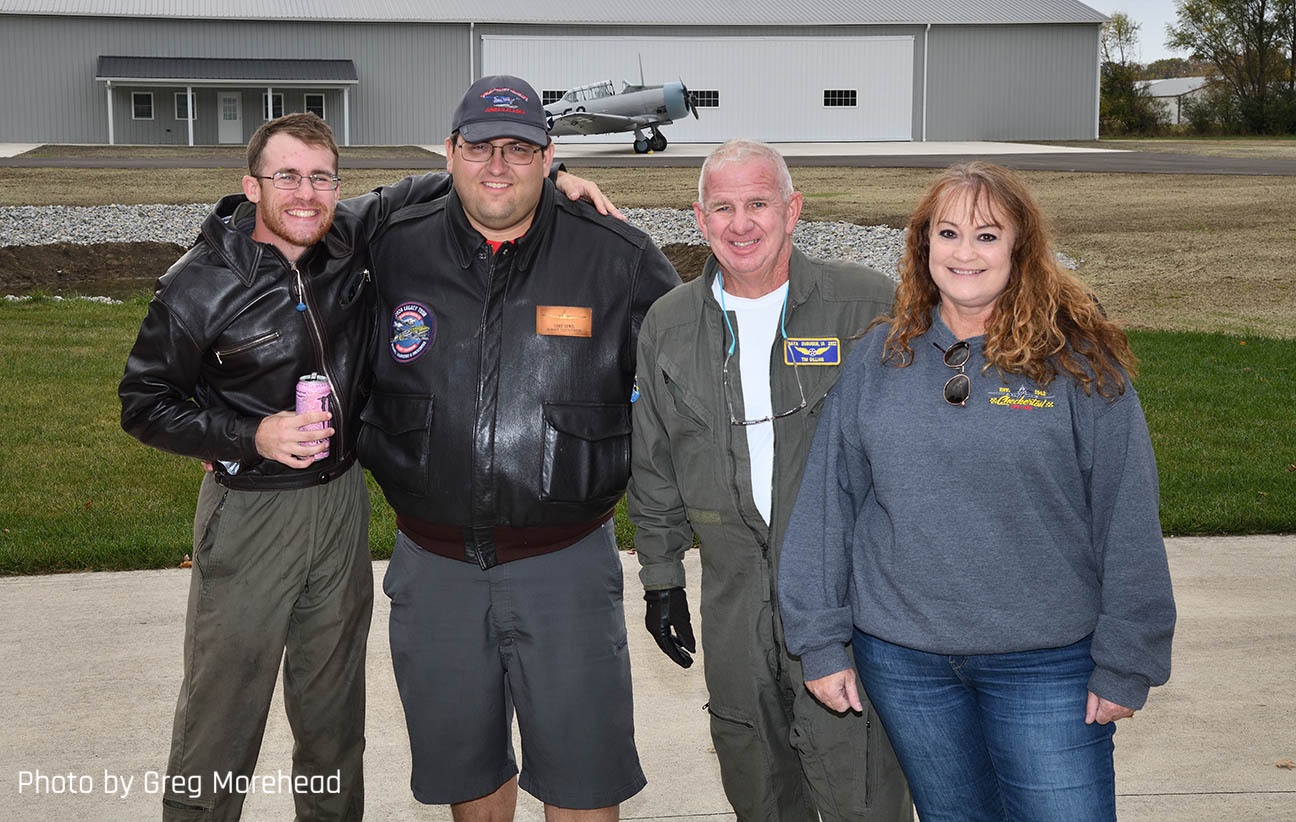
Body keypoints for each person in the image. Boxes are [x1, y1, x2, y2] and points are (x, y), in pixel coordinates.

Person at [118, 111, 612, 822]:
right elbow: (144, 403)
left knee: (332, 721)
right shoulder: (197, 284)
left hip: (341, 502)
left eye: (321, 177)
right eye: (286, 176)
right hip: (252, 509)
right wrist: (248, 434)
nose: (305, 194)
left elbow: (451, 179)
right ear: (251, 185)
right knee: (222, 718)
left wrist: (556, 177)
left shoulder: (346, 237)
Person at [779, 162, 1176, 822]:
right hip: (907, 665)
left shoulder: (1080, 364)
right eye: (949, 233)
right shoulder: (879, 359)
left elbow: (1127, 512)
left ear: (1020, 250)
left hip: (1047, 664)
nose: (965, 253)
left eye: (988, 236)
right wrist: (819, 641)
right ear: (922, 245)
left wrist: (1127, 658)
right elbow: (829, 504)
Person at [353, 75, 679, 822]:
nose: (497, 166)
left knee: (583, 784)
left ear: (547, 157)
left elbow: (688, 391)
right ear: (450, 152)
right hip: (432, 568)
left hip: (563, 565)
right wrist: (240, 420)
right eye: (479, 148)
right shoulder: (390, 249)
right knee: (467, 782)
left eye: (520, 150)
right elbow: (288, 260)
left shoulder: (618, 257)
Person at [627, 139, 912, 821]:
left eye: (758, 203)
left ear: (793, 210)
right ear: (699, 220)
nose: (740, 223)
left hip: (848, 602)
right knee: (756, 784)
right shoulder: (669, 326)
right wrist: (663, 580)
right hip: (733, 601)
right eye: (722, 207)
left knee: (861, 788)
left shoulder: (865, 306)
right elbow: (655, 465)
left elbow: (919, 455)